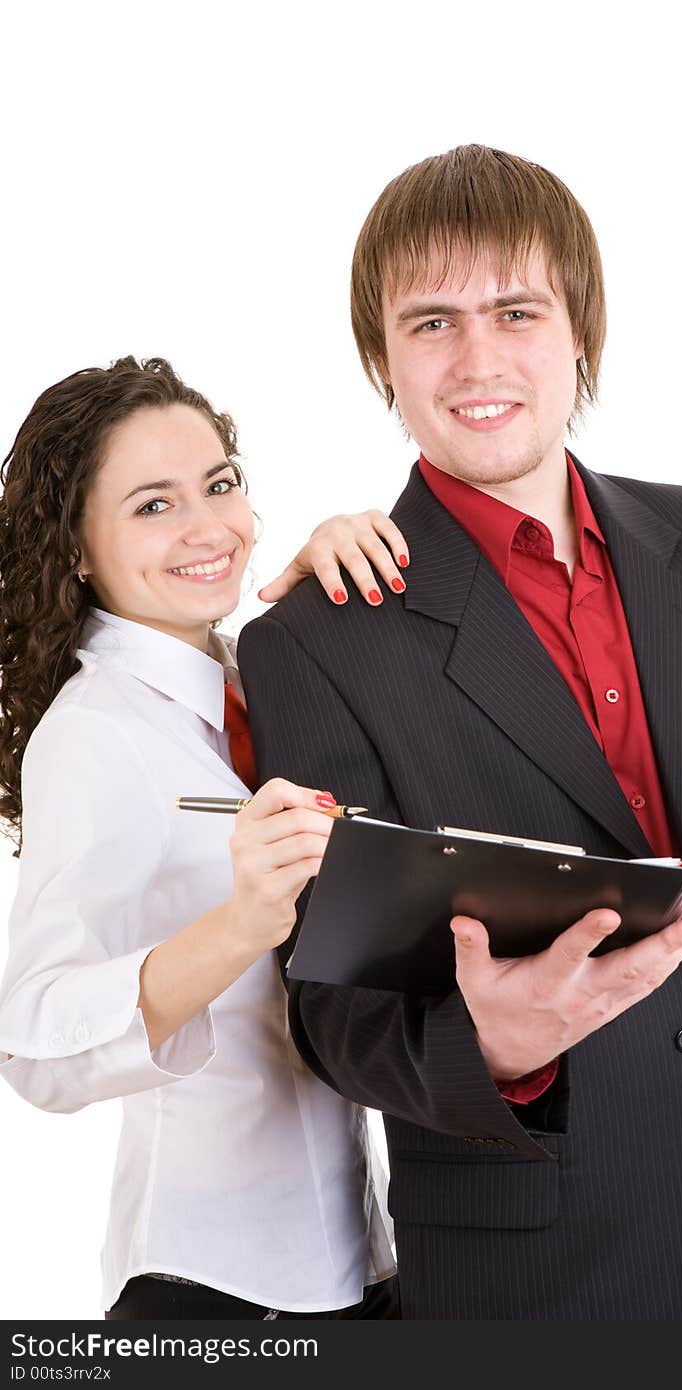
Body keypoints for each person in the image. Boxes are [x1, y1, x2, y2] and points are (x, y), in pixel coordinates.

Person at [237, 144, 682, 1320]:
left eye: (515, 311)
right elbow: (331, 1012)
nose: (477, 359)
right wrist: (490, 1042)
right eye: (430, 321)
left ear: (578, 329)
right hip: (541, 1266)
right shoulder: (315, 642)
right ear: (380, 356)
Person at [0, 355, 412, 1319]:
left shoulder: (256, 678)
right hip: (215, 1282)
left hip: (364, 1257)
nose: (206, 528)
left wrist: (352, 585)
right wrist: (244, 922)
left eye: (219, 485)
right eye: (152, 505)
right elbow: (34, 1040)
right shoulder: (93, 733)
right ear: (75, 548)